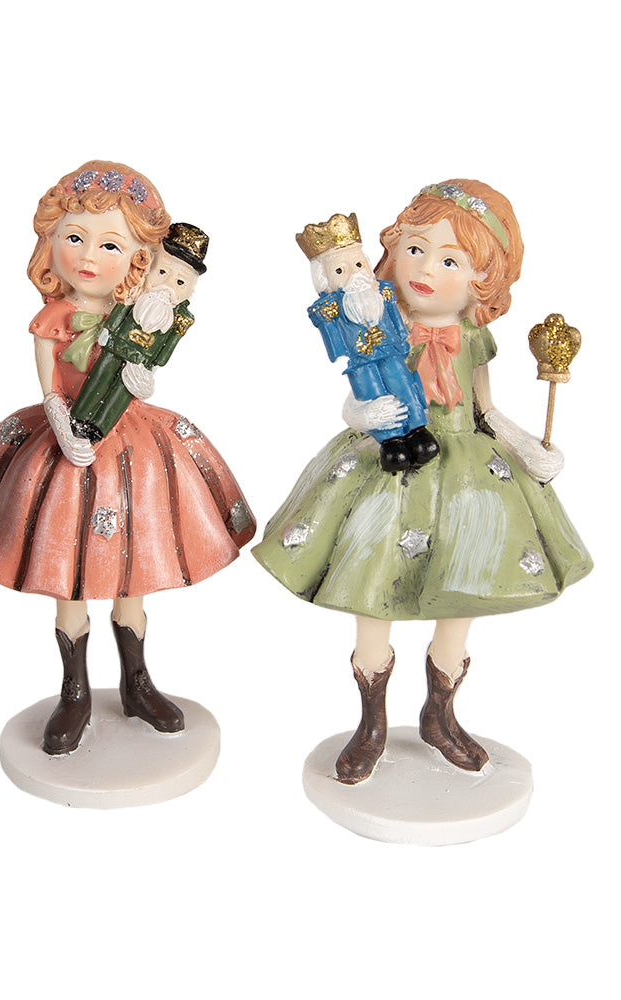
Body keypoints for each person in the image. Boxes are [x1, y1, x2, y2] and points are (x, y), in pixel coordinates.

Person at [253, 179, 592, 783]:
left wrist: (529, 448)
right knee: (372, 589)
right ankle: (371, 723)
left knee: (461, 594)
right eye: (415, 249)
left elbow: (485, 409)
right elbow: (354, 386)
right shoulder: (378, 321)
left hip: (466, 478)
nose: (426, 268)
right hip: (387, 462)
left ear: (483, 282)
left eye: (450, 260)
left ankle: (440, 715)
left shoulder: (472, 337)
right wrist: (362, 415)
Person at [0, 161, 255, 756]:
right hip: (69, 438)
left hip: (132, 443)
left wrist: (141, 381)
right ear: (50, 242)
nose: (88, 256)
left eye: (109, 244)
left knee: (131, 568)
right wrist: (62, 427)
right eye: (74, 237)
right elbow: (48, 388)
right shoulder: (50, 321)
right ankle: (75, 689)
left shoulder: (139, 313)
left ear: (139, 258)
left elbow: (145, 361)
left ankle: (137, 680)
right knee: (71, 571)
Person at [297, 212, 437, 472]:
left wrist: (403, 339)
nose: (354, 275)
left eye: (358, 264)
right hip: (361, 362)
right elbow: (333, 345)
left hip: (391, 352)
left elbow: (396, 321)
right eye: (340, 271)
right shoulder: (332, 306)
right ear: (325, 280)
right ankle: (391, 441)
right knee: (372, 393)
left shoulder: (382, 292)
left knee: (402, 384)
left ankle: (417, 430)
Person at [70, 222, 207, 443]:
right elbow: (122, 309)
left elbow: (168, 348)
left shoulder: (179, 317)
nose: (167, 284)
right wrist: (108, 329)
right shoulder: (137, 292)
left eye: (180, 281)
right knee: (100, 377)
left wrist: (154, 365)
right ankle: (78, 415)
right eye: (162, 272)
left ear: (191, 288)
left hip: (141, 360)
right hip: (116, 344)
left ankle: (99, 427)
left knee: (121, 392)